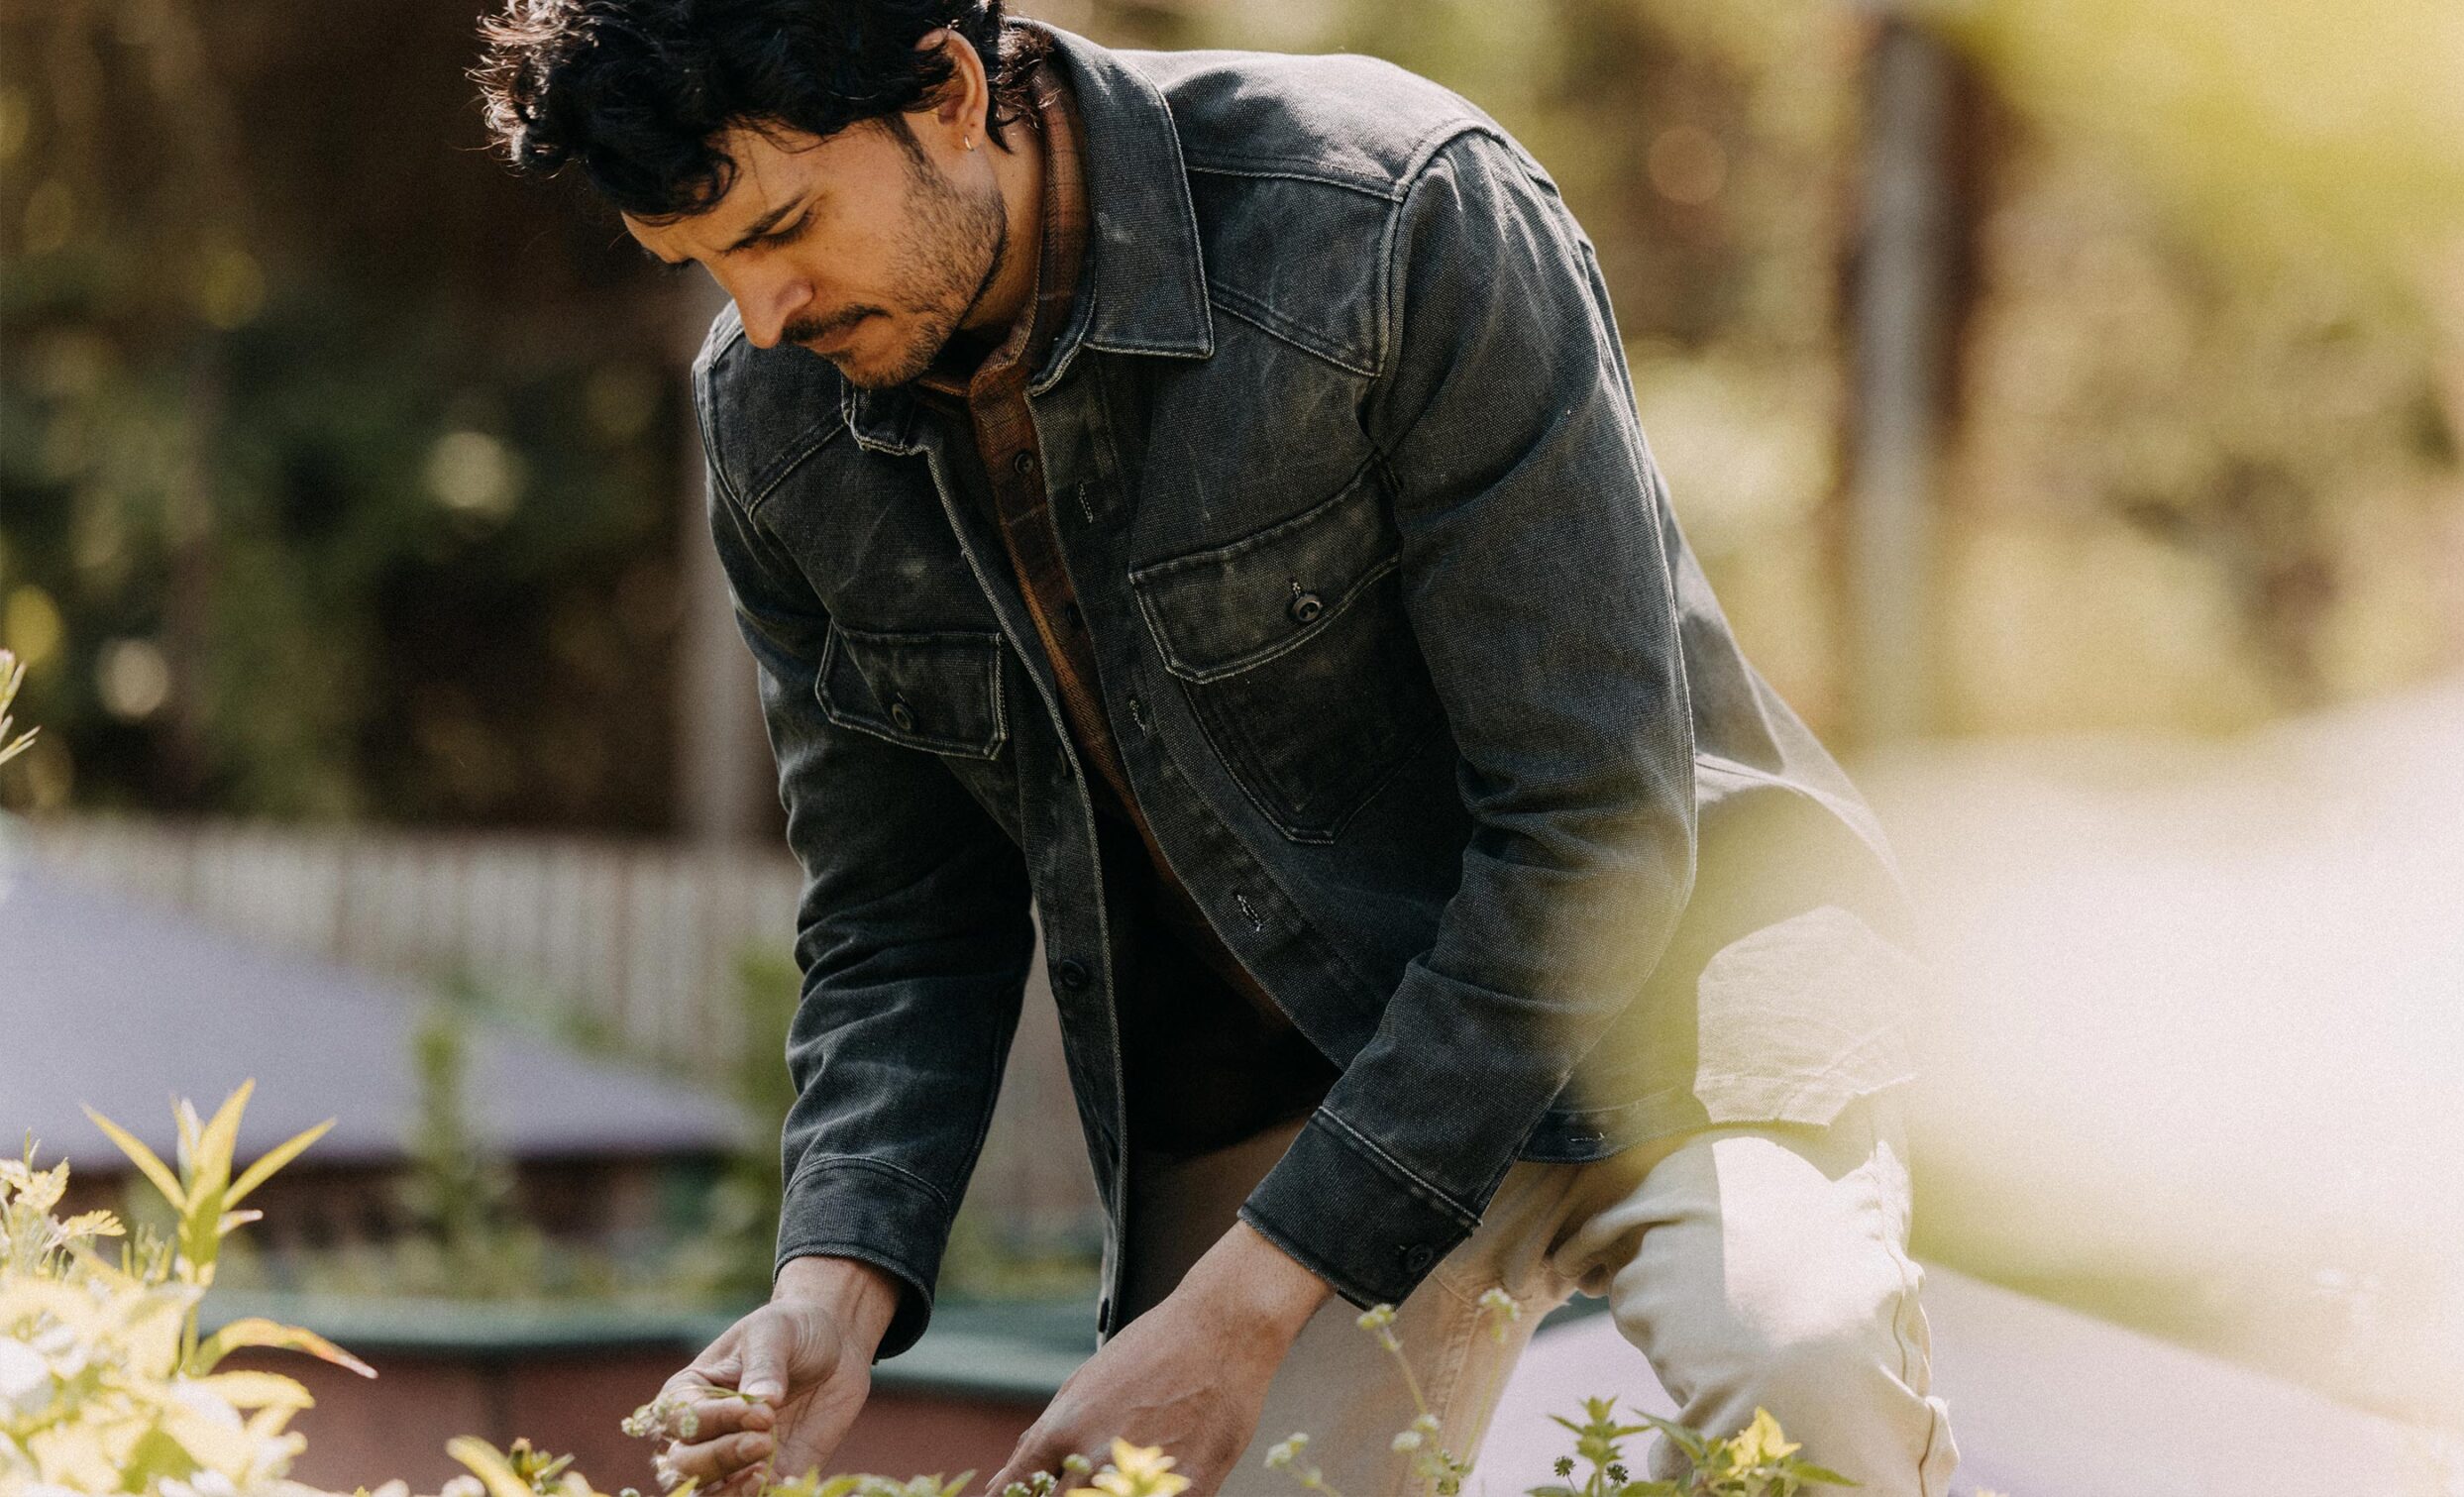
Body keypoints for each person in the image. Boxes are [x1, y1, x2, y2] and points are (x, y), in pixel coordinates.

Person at [476, 4, 1958, 1494]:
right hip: (1295, 1078)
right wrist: (828, 1291)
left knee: (1799, 1367)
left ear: (945, 90)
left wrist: (1245, 1306)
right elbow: (901, 920)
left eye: (786, 226)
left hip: (1673, 990)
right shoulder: (776, 417)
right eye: (708, 263)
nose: (769, 310)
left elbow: (1597, 827)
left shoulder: (1395, 215)